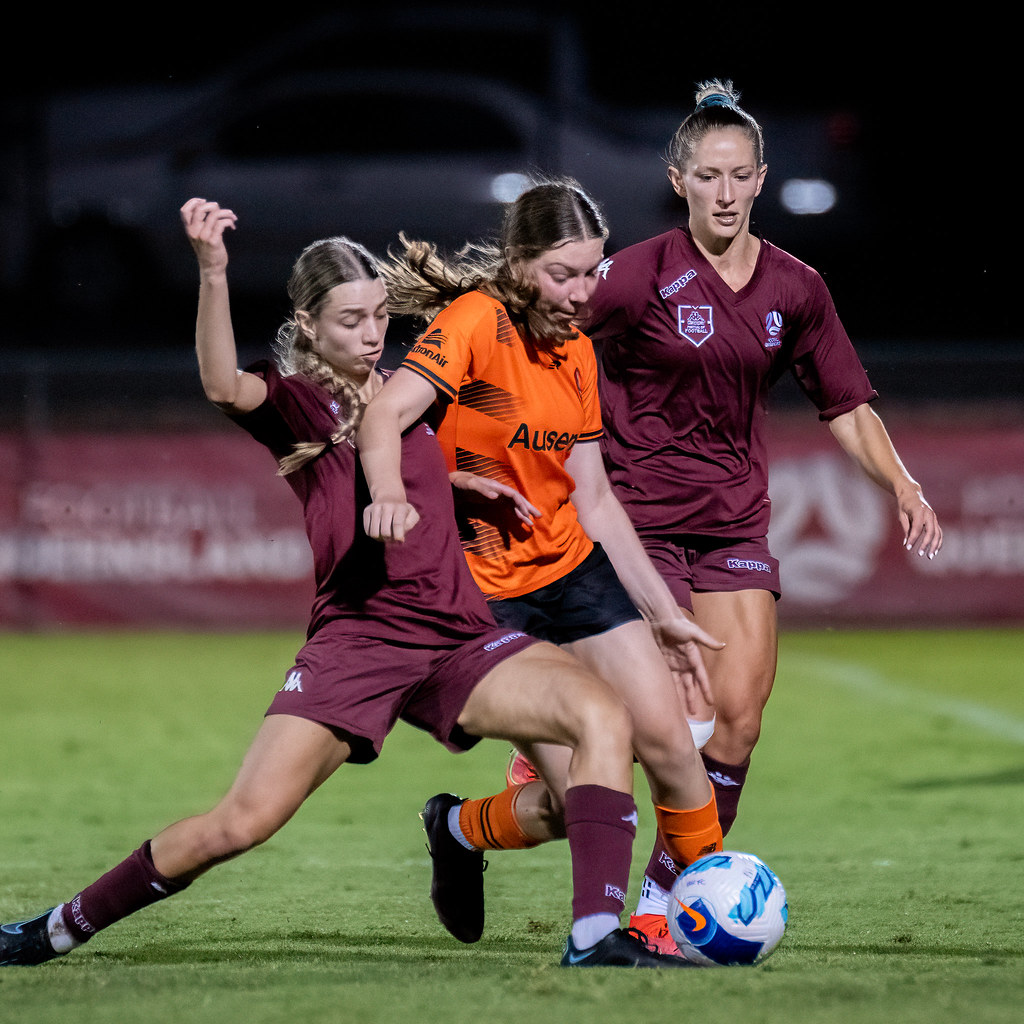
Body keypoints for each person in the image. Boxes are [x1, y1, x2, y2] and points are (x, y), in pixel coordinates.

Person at [0, 198, 693, 970]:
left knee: (602, 717)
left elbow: (407, 473)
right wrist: (214, 271)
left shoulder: (405, 393)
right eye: (349, 321)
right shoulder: (301, 403)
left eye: (377, 319)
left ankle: (595, 938)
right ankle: (57, 928)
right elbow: (224, 383)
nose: (370, 336)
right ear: (308, 323)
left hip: (459, 637)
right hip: (360, 646)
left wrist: (463, 484)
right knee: (241, 823)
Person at [580, 79, 944, 945]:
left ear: (762, 176)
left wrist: (902, 482)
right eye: (709, 176)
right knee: (674, 719)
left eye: (741, 175)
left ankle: (659, 916)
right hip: (640, 523)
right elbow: (550, 339)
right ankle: (484, 817)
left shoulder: (797, 288)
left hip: (733, 523)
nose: (727, 193)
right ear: (679, 179)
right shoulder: (637, 275)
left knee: (737, 719)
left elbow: (847, 405)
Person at [357, 178, 726, 951]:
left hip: (573, 574)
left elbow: (593, 495)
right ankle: (458, 829)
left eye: (593, 272)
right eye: (564, 273)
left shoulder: (578, 351)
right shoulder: (476, 323)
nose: (583, 292)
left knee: (672, 749)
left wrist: (664, 612)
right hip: (485, 599)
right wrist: (398, 491)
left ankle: (692, 927)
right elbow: (384, 414)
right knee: (573, 805)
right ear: (521, 262)